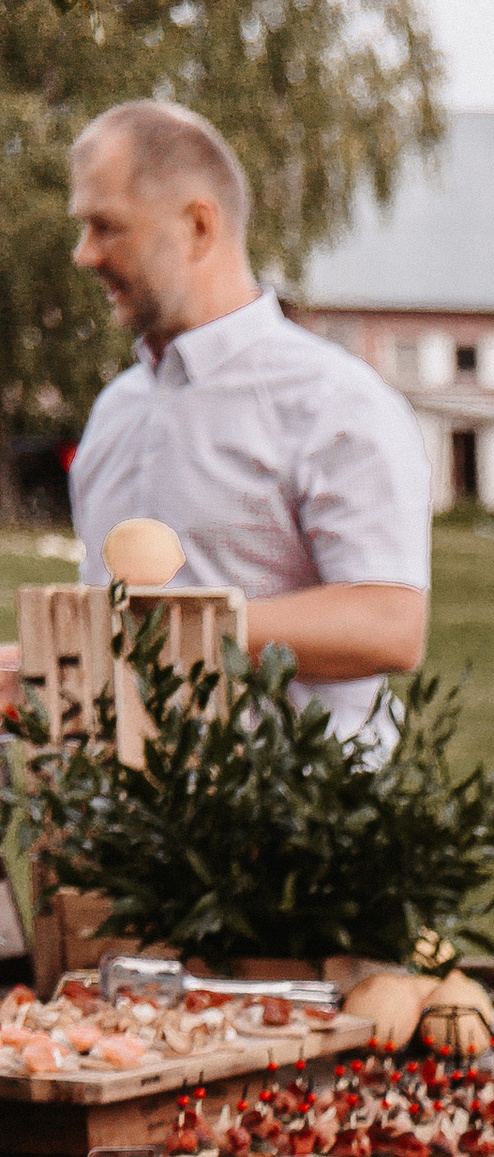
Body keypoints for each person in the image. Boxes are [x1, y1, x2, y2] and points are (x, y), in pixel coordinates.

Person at [69, 103, 428, 740]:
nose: (83, 254)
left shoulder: (334, 402)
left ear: (198, 227)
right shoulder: (115, 409)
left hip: (298, 822)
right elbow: (108, 636)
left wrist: (165, 631)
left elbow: (389, 625)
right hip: (123, 827)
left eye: (105, 227)